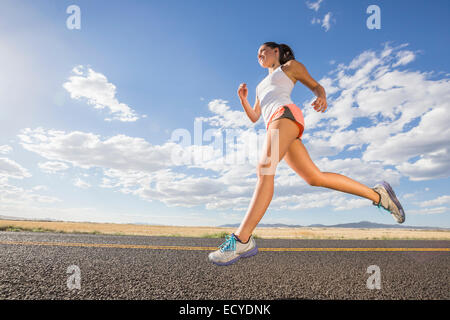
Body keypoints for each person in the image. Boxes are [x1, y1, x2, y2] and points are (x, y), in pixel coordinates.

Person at [208, 42, 405, 266]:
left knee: (265, 170)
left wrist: (322, 97)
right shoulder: (260, 85)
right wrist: (243, 99)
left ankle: (241, 239)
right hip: (275, 123)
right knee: (314, 178)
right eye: (257, 53)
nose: (259, 54)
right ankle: (379, 196)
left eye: (264, 50)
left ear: (277, 52)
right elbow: (255, 116)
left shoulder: (289, 67)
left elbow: (316, 86)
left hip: (285, 115)